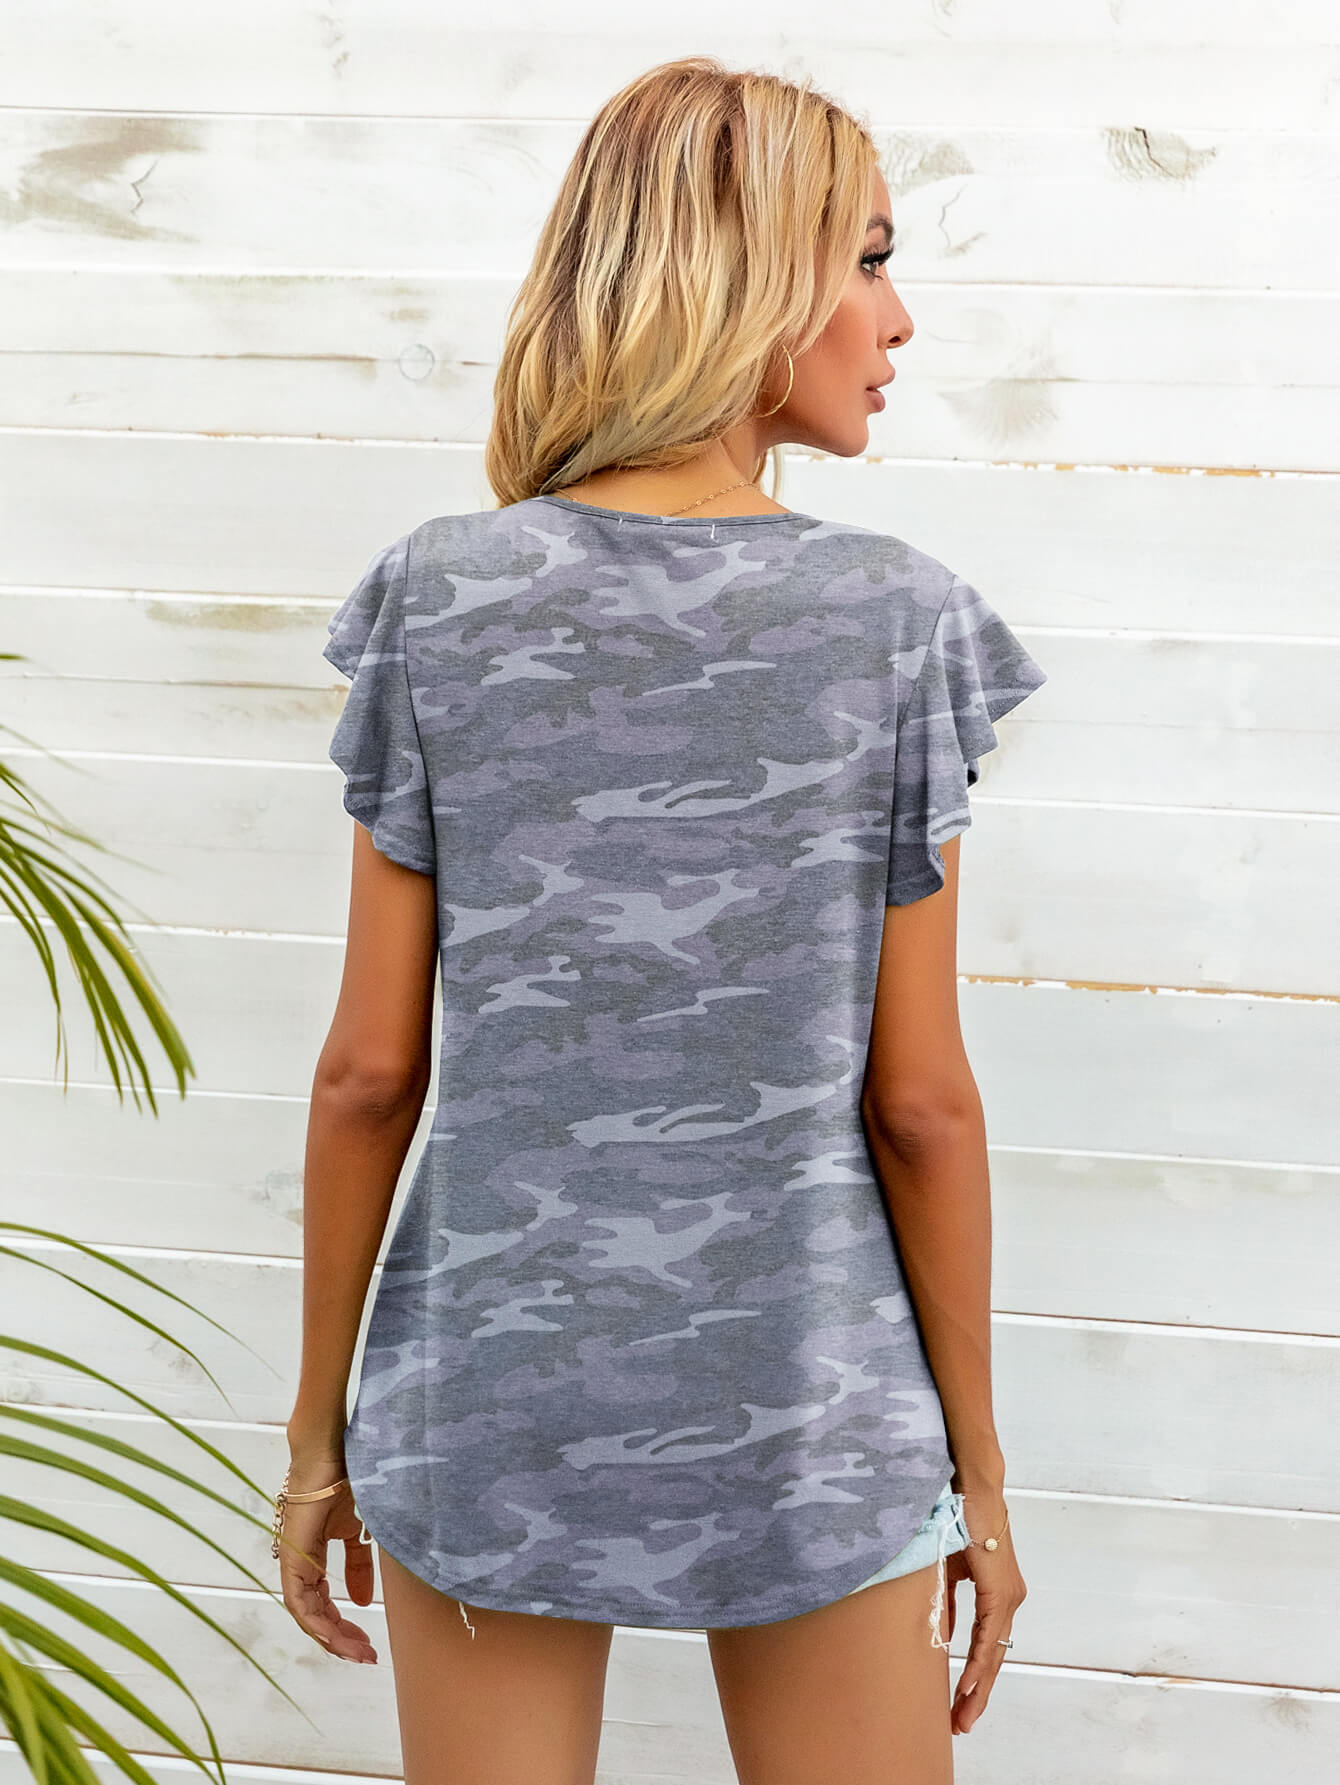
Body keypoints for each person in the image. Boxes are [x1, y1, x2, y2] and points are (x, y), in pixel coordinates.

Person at [274, 54, 1040, 1785]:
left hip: (491, 1400)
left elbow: (368, 1073)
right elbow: (920, 1102)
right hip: (811, 1408)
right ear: (749, 280)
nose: (900, 317)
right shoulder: (895, 620)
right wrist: (979, 1480)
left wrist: (318, 1437)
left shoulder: (438, 594)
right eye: (868, 260)